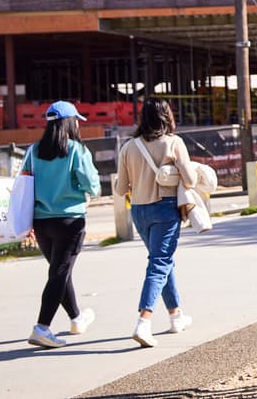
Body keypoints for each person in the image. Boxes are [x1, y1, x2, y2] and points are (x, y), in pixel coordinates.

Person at [114, 98, 196, 347]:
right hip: (165, 208)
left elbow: (120, 189)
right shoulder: (174, 143)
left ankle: (175, 316)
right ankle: (144, 321)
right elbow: (191, 179)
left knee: (161, 262)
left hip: (138, 210)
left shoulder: (129, 147)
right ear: (166, 116)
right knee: (160, 263)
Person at [24, 101, 101, 348]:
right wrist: (87, 191)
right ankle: (42, 327)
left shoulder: (33, 151)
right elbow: (92, 185)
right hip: (70, 220)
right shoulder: (76, 150)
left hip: (41, 221)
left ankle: (77, 318)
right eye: (76, 119)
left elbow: (24, 183)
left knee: (59, 270)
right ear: (69, 122)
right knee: (59, 273)